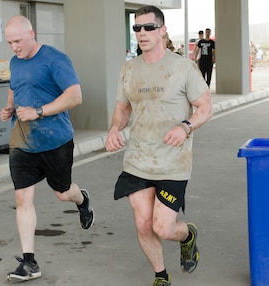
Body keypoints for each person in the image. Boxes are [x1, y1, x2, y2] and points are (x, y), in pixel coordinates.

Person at [105, 6, 213, 286]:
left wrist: (185, 127)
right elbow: (122, 107)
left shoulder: (183, 67)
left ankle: (187, 235)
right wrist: (114, 128)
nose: (142, 33)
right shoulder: (128, 69)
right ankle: (161, 276)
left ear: (162, 31)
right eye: (137, 28)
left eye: (148, 27)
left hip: (172, 163)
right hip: (138, 159)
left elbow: (205, 107)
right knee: (142, 224)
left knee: (162, 227)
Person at [0, 15, 94, 282]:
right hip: (22, 140)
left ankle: (82, 199)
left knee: (63, 193)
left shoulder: (55, 59)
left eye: (17, 41)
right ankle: (29, 262)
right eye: (9, 42)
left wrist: (39, 111)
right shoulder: (15, 62)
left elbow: (75, 96)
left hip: (55, 140)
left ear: (31, 34)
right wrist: (9, 108)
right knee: (22, 199)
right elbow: (14, 87)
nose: (14, 47)